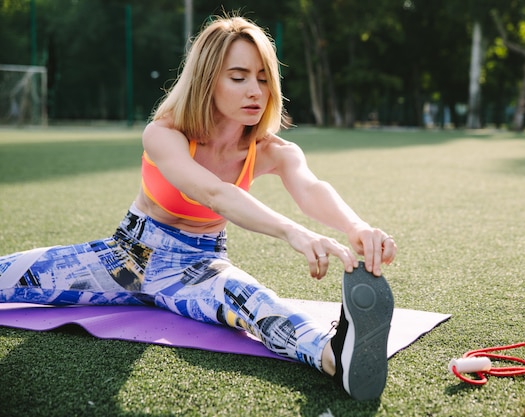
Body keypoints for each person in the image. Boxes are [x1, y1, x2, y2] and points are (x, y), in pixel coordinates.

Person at [0, 15, 396, 401]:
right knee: (8, 276)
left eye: (262, 77)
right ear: (207, 81)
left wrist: (355, 226)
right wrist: (292, 231)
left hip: (198, 268)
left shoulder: (273, 151)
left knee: (254, 301)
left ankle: (336, 357)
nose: (255, 90)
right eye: (238, 77)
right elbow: (214, 194)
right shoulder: (164, 134)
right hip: (125, 260)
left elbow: (311, 188)